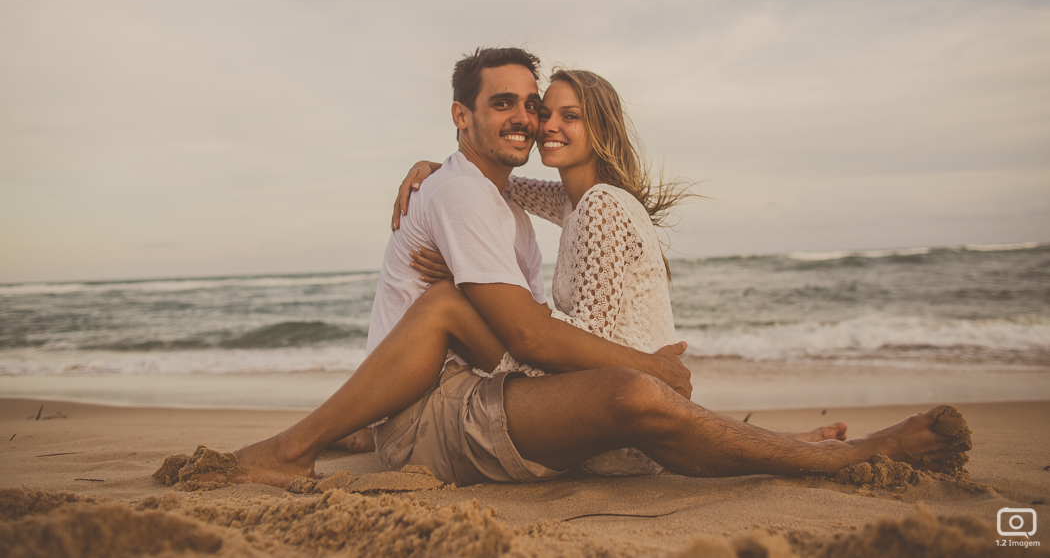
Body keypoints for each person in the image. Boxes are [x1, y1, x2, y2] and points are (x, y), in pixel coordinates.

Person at [195, 47, 964, 489]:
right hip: (442, 405)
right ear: (465, 113)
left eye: (552, 112)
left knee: (615, 385)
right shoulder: (500, 196)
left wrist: (444, 163)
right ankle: (839, 457)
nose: (537, 123)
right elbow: (537, 335)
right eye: (523, 107)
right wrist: (650, 370)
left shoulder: (567, 203)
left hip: (467, 396)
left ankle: (794, 446)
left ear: (597, 129)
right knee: (524, 339)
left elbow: (542, 211)